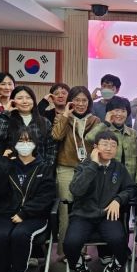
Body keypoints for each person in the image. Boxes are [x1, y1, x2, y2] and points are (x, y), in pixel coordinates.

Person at [0, 127, 57, 272]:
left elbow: (46, 197)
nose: (25, 144)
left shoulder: (44, 167)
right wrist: (3, 163)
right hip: (4, 213)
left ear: (35, 144)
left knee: (20, 235)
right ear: (14, 144)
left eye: (28, 140)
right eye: (21, 141)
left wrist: (24, 213)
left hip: (33, 216)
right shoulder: (7, 164)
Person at [64, 131, 136, 272]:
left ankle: (117, 264)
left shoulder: (119, 168)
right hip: (83, 215)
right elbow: (76, 190)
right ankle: (79, 265)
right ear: (95, 147)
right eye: (105, 144)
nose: (109, 148)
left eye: (113, 145)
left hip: (107, 215)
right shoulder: (84, 166)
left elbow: (130, 189)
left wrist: (118, 200)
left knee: (119, 240)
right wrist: (93, 165)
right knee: (70, 243)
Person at [51, 86, 99, 259]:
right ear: (70, 101)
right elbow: (56, 136)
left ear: (89, 102)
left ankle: (81, 250)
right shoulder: (62, 117)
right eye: (77, 100)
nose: (80, 104)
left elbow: (97, 142)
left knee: (83, 209)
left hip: (87, 169)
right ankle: (66, 252)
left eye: (84, 100)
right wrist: (65, 115)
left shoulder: (95, 120)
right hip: (66, 167)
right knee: (66, 210)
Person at [0, 85, 57, 171]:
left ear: (33, 101)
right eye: (20, 98)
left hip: (38, 171)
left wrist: (46, 168)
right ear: (13, 101)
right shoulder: (7, 119)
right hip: (12, 170)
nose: (25, 101)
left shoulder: (44, 122)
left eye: (28, 98)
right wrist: (6, 112)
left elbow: (51, 148)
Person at [87, 96, 137, 184]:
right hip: (107, 181)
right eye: (116, 110)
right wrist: (106, 123)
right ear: (109, 112)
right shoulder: (104, 130)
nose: (120, 114)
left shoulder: (133, 133)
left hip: (129, 179)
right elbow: (89, 138)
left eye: (123, 111)